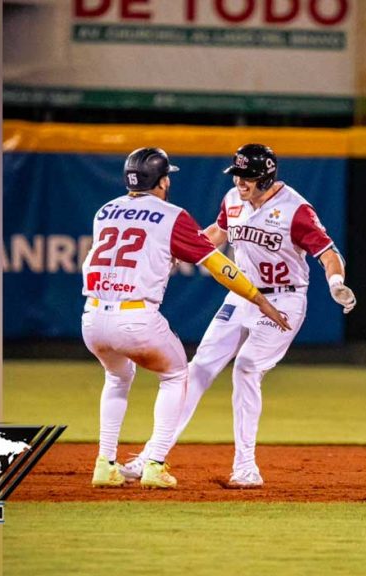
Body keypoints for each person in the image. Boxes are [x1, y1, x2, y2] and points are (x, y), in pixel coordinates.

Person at [122, 144, 356, 487]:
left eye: (247, 176)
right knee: (197, 369)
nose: (239, 182)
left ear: (266, 177)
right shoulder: (233, 199)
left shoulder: (295, 209)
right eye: (237, 175)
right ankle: (150, 456)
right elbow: (217, 234)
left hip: (283, 300)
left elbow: (328, 252)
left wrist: (336, 282)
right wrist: (177, 250)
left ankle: (246, 467)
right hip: (242, 295)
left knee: (246, 368)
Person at [83, 147, 290, 490]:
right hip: (135, 317)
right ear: (162, 181)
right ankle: (154, 463)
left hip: (92, 317)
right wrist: (258, 298)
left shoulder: (104, 211)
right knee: (177, 374)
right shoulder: (171, 215)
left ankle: (105, 464)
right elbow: (219, 266)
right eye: (167, 177)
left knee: (117, 377)